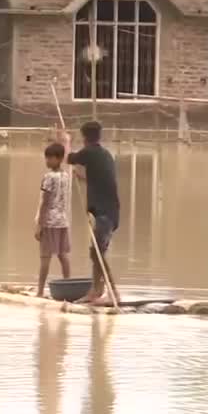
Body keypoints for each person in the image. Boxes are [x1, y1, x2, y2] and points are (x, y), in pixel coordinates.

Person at [65, 121, 120, 304]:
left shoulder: (90, 152)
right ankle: (97, 291)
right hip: (110, 212)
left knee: (96, 252)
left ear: (84, 137)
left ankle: (111, 291)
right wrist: (81, 178)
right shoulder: (105, 155)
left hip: (105, 214)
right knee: (97, 251)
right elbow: (100, 179)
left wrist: (66, 141)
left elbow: (69, 158)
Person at [34, 142, 72, 297]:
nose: (47, 161)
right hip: (63, 220)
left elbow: (45, 202)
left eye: (50, 158)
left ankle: (40, 291)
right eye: (47, 158)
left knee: (45, 257)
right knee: (63, 255)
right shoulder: (66, 176)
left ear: (59, 159)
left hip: (50, 221)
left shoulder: (49, 177)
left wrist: (39, 225)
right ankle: (69, 286)